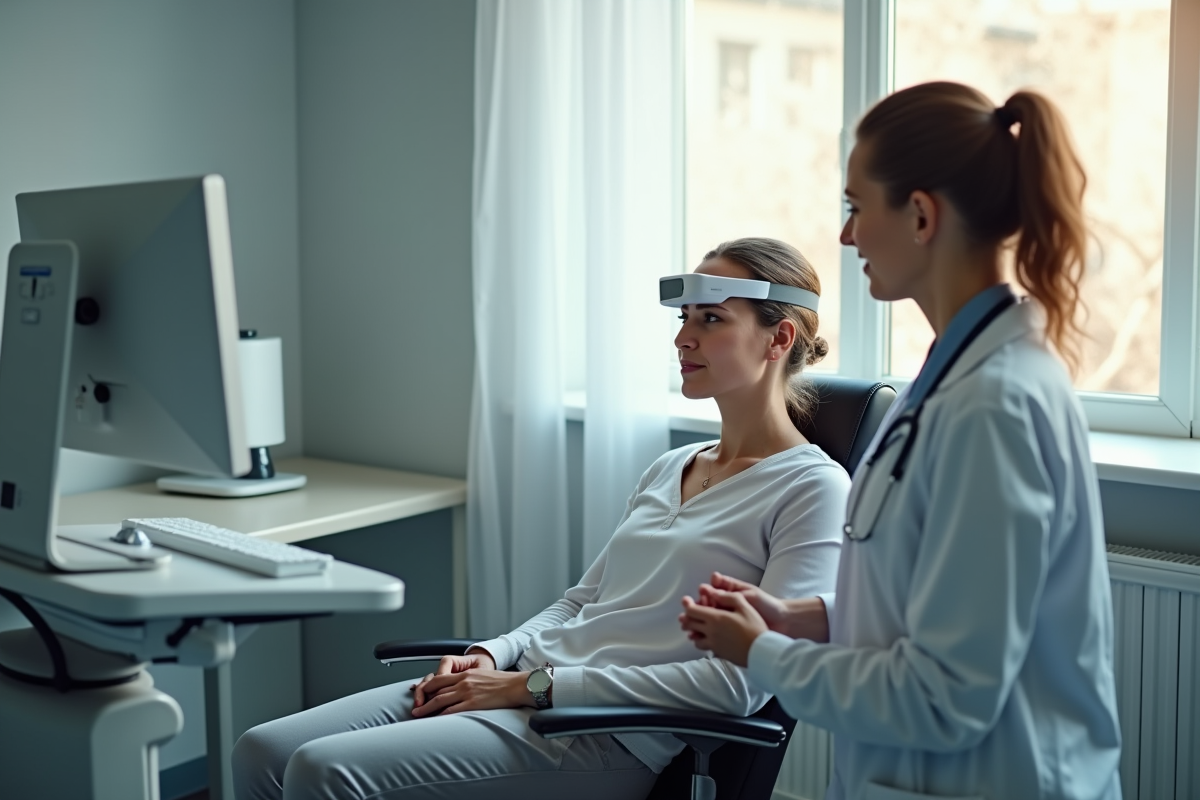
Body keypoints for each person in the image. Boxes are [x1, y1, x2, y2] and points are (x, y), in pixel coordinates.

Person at [232, 237, 851, 800]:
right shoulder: (671, 467)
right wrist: (493, 655)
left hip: (600, 734)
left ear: (780, 338)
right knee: (262, 753)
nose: (682, 338)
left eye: (710, 319)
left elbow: (739, 685)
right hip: (523, 687)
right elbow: (580, 603)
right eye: (683, 318)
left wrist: (533, 688)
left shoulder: (812, 487)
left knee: (322, 772)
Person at [681, 82, 1123, 800]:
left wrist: (764, 655)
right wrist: (805, 620)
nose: (846, 236)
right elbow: (929, 597)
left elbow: (948, 694)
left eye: (856, 208)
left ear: (920, 215)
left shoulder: (994, 406)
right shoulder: (948, 378)